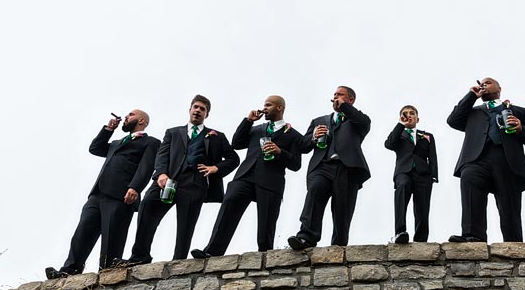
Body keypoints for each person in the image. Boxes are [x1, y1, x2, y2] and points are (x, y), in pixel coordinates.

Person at [46, 109, 160, 279]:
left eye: (131, 115)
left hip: (122, 195)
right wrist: (108, 129)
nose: (126, 117)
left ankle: (107, 272)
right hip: (97, 194)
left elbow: (147, 166)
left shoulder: (151, 142)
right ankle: (70, 269)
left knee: (113, 235)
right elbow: (95, 148)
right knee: (83, 231)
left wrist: (135, 187)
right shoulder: (115, 143)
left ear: (142, 120)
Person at [127, 94, 239, 263]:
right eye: (196, 107)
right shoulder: (173, 132)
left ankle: (178, 261)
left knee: (186, 226)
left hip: (194, 185)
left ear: (206, 115)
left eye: (202, 109)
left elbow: (233, 159)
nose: (198, 111)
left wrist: (215, 168)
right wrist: (161, 174)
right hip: (167, 181)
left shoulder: (217, 136)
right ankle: (139, 256)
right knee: (147, 209)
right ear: (190, 110)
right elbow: (162, 155)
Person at [192, 95, 303, 258]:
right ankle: (212, 251)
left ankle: (265, 255)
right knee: (229, 204)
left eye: (268, 105)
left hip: (271, 182)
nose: (264, 108)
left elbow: (296, 164)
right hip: (245, 176)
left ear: (279, 108)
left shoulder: (294, 135)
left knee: (266, 222)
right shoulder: (256, 129)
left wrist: (280, 152)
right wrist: (248, 121)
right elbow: (236, 143)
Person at [446, 77, 525, 243]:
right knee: (469, 180)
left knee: (509, 205)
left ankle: (514, 243)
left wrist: (520, 129)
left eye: (487, 83)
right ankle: (473, 235)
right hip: (476, 158)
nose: (483, 85)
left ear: (499, 88)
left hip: (507, 160)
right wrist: (471, 95)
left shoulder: (520, 112)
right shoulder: (471, 111)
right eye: (481, 84)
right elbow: (453, 121)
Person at [288, 86, 371, 249]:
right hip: (322, 166)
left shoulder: (358, 119)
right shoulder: (318, 121)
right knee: (314, 193)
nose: (335, 97)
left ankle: (339, 245)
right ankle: (306, 237)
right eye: (334, 95)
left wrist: (345, 108)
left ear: (350, 100)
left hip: (347, 169)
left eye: (340, 95)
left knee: (343, 210)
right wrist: (313, 137)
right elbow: (303, 146)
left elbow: (363, 122)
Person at [384, 105, 438, 243]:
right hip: (403, 172)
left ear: (417, 118)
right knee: (402, 189)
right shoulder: (399, 134)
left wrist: (433, 175)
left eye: (412, 113)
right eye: (405, 113)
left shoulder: (427, 136)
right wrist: (400, 125)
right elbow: (389, 144)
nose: (409, 115)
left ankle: (421, 238)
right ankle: (400, 232)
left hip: (423, 174)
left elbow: (433, 157)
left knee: (422, 206)